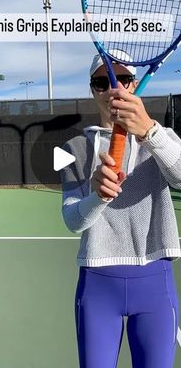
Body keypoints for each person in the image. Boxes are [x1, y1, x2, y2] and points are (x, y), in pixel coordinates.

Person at [60, 50, 181, 368]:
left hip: (155, 281)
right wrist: (97, 196)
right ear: (92, 89)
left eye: (123, 78)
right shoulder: (71, 149)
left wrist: (150, 132)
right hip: (97, 286)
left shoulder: (162, 137)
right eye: (103, 81)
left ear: (134, 83)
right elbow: (73, 220)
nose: (114, 88)